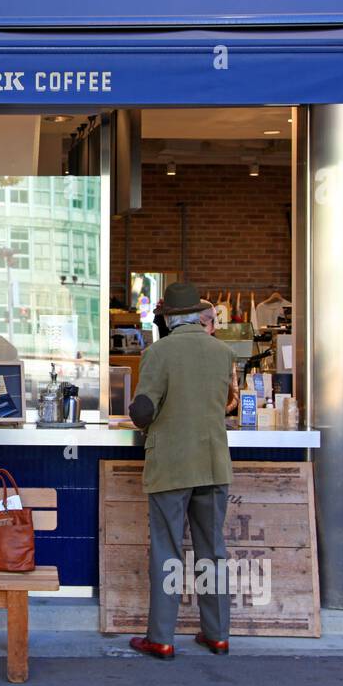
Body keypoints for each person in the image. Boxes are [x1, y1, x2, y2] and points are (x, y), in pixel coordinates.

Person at [127, 282, 235, 659]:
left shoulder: (158, 352)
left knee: (167, 551)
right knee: (212, 551)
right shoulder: (223, 353)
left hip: (172, 465)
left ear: (169, 318)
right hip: (212, 464)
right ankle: (217, 634)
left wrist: (139, 416)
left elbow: (143, 410)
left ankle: (161, 638)